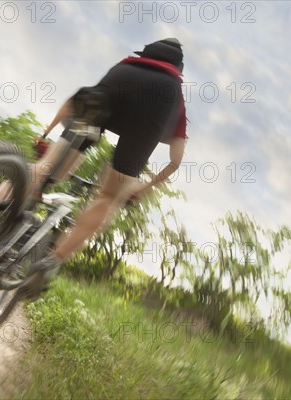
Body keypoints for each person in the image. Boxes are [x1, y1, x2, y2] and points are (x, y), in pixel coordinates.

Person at [17, 38, 189, 298]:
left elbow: (74, 101)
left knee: (45, 168)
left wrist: (46, 134)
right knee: (108, 197)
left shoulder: (128, 64)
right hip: (154, 109)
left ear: (147, 53)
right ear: (178, 67)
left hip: (113, 89)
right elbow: (175, 160)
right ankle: (52, 261)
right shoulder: (174, 91)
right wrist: (145, 187)